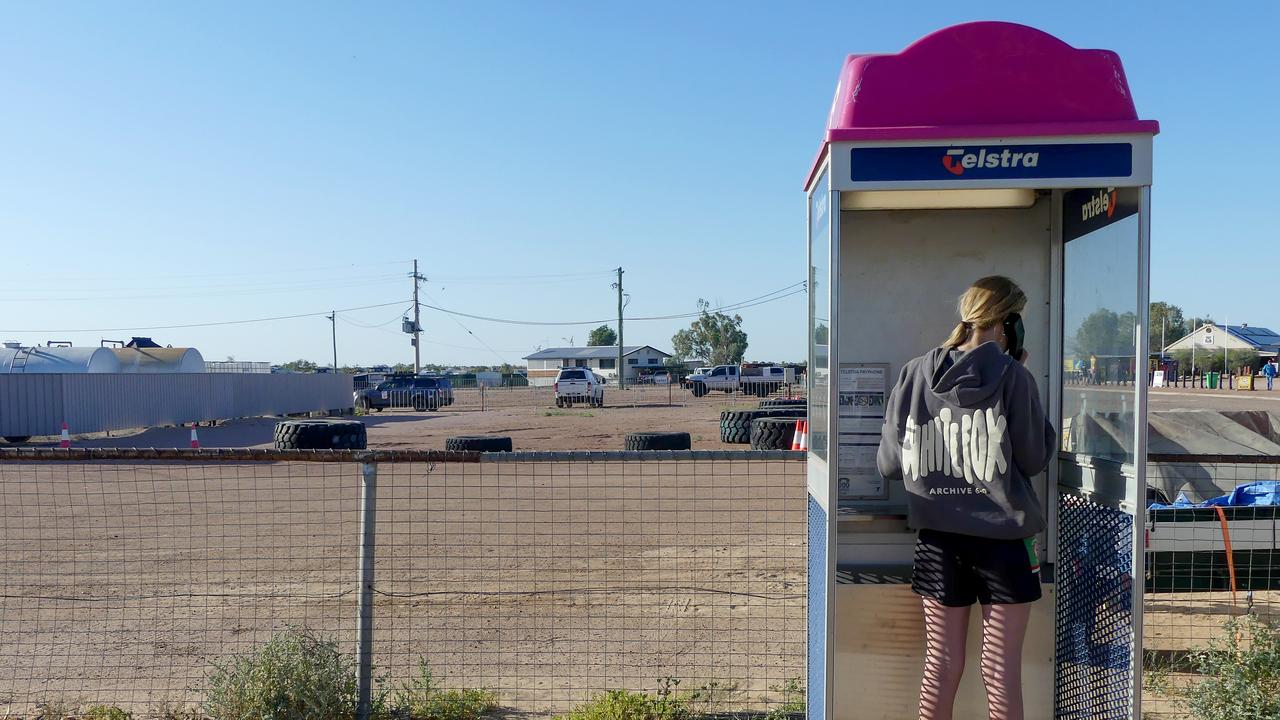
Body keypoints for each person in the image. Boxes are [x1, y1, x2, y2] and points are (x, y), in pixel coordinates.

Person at [877, 276, 1057, 720]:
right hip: (1004, 543)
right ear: (1008, 323)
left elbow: (890, 465)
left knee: (940, 664)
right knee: (999, 669)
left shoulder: (915, 372)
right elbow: (1034, 459)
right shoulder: (1014, 377)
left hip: (939, 540)